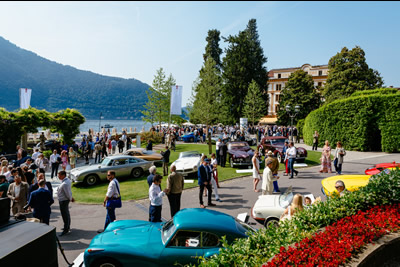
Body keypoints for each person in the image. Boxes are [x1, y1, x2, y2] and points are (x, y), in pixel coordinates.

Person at [57, 171, 74, 236]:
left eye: (59, 175)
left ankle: (66, 229)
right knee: (66, 213)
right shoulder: (66, 181)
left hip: (63, 201)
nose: (58, 177)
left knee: (65, 215)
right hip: (63, 200)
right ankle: (67, 226)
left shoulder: (65, 183)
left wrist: (70, 198)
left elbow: (67, 193)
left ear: (63, 175)